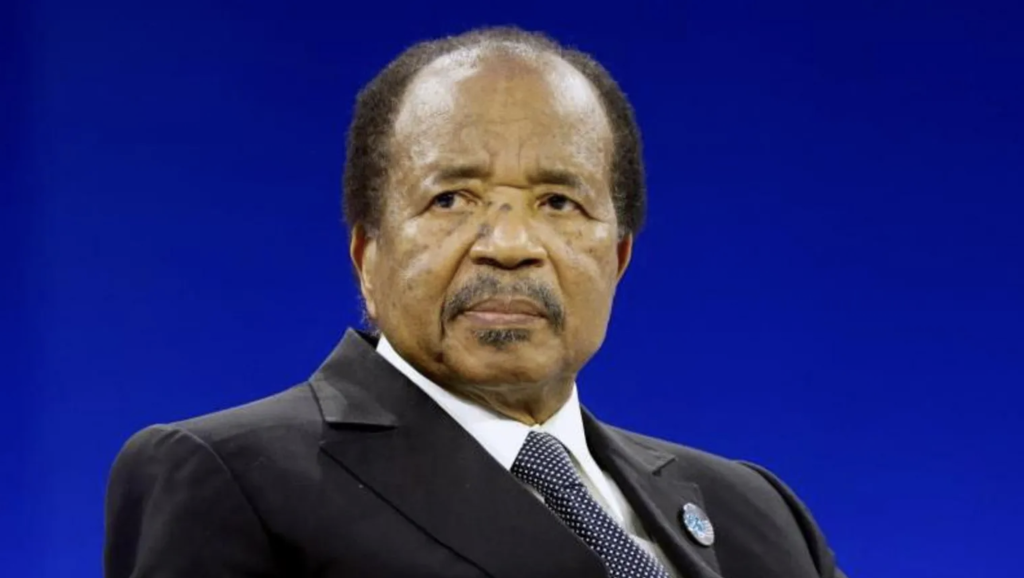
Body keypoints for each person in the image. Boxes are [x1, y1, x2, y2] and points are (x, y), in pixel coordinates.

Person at [104, 27, 846, 578]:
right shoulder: (233, 478)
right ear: (367, 255)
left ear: (618, 258)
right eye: (452, 199)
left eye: (558, 202)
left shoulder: (756, 511)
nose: (510, 244)